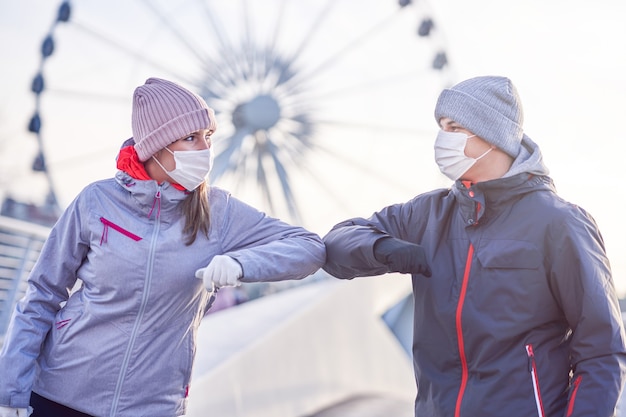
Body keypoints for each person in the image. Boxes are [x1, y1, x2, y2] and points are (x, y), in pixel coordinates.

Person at [0, 77, 326, 417]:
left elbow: (309, 247)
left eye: (208, 136)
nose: (205, 149)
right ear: (158, 145)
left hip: (152, 408)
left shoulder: (220, 212)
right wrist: (10, 392)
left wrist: (242, 264)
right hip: (58, 395)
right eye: (191, 138)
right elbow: (41, 295)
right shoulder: (96, 202)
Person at [322, 75, 626, 417]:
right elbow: (335, 242)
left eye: (454, 127)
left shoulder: (559, 222)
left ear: (492, 135)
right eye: (441, 127)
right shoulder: (427, 214)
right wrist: (381, 248)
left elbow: (602, 352)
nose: (442, 139)